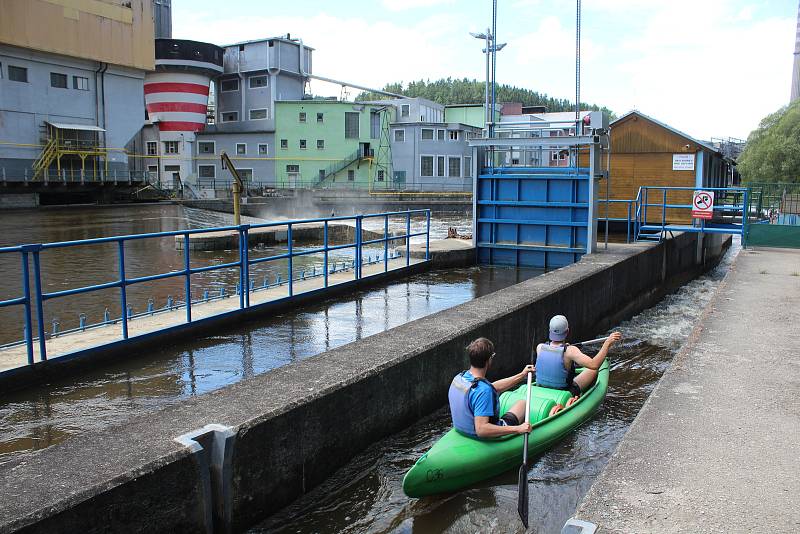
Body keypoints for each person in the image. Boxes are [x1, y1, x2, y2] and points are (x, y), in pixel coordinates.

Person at [448, 337, 535, 439]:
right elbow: (482, 430)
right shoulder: (483, 391)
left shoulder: (460, 378)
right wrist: (518, 428)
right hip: (481, 436)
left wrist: (522, 375)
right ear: (489, 360)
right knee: (522, 404)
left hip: (462, 430)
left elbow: (491, 387)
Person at [536, 315, 622, 396]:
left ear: (550, 331)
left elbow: (552, 358)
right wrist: (607, 343)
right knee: (593, 370)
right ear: (567, 331)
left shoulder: (540, 347)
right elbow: (594, 364)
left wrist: (565, 346)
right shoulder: (571, 351)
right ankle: (584, 394)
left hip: (541, 389)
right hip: (563, 392)